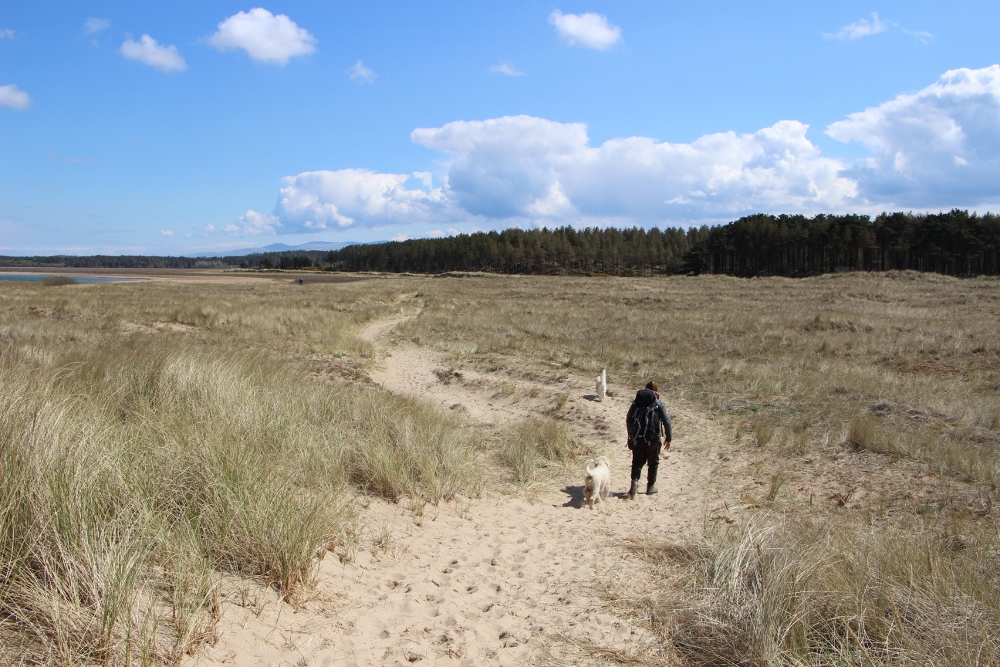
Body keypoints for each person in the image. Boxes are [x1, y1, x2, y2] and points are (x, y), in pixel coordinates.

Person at [625, 381, 672, 499]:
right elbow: (666, 421)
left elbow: (629, 418)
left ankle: (634, 482)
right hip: (653, 438)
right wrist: (668, 437)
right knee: (653, 462)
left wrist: (630, 433)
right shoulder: (658, 403)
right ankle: (650, 487)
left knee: (637, 462)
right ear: (656, 392)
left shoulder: (636, 402)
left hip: (638, 437)